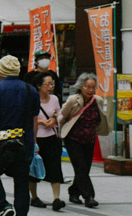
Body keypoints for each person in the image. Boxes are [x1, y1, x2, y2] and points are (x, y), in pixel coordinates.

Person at [0, 55, 42, 216]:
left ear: (1, 70)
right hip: (25, 141)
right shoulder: (31, 90)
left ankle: (3, 206)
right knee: (21, 180)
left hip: (2, 141)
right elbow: (35, 119)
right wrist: (34, 141)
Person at [59, 73, 114, 209]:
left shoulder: (98, 100)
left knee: (85, 169)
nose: (90, 90)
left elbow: (100, 118)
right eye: (87, 87)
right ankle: (89, 196)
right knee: (81, 167)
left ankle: (73, 192)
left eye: (93, 87)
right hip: (73, 139)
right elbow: (62, 116)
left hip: (89, 139)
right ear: (81, 87)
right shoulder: (73, 100)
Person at [32, 73, 65, 212]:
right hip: (36, 138)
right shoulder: (32, 99)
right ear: (39, 86)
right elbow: (27, 117)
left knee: (54, 166)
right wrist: (39, 121)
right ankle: (34, 197)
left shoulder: (54, 99)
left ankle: (56, 198)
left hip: (52, 137)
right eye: (48, 84)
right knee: (34, 168)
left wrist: (54, 119)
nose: (51, 87)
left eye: (52, 84)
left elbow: (61, 113)